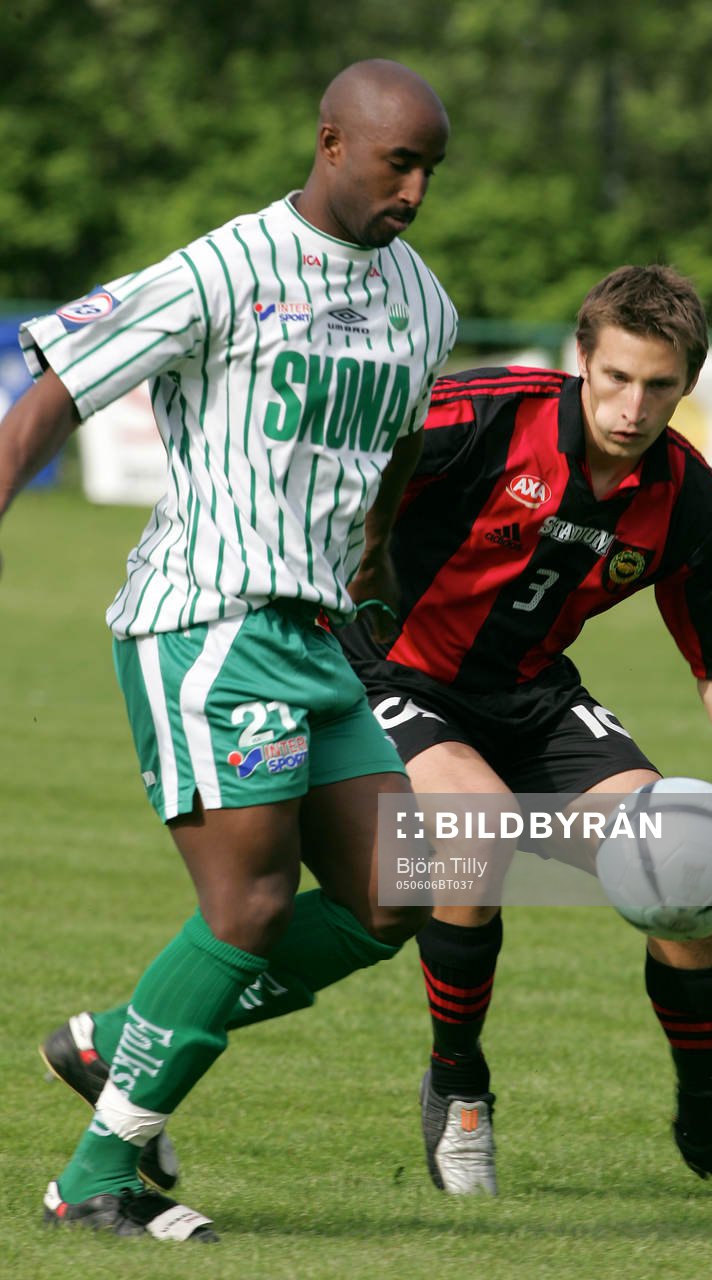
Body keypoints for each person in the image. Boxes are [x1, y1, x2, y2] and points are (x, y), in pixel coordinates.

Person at [0, 58, 456, 1242]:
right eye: (397, 161)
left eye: (429, 169)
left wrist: (379, 558)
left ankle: (115, 1038)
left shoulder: (425, 301)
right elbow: (60, 379)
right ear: (330, 142)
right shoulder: (225, 265)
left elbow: (400, 443)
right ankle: (93, 1177)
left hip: (318, 634)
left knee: (392, 892)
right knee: (248, 904)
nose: (413, 189)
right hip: (206, 620)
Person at [336, 263, 712, 1194]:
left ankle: (708, 1113)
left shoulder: (692, 501)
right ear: (580, 361)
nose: (633, 407)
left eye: (659, 387)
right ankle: (458, 1086)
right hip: (393, 673)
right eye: (616, 379)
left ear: (688, 385)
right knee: (476, 826)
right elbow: (345, 461)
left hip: (530, 696)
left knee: (689, 863)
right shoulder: (483, 416)